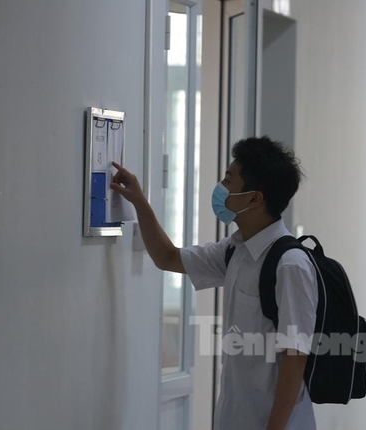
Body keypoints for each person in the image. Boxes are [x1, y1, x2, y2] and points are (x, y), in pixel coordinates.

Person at [111, 136, 317, 430]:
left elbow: (295, 358)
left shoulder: (290, 265)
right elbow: (167, 257)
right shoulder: (234, 250)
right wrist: (139, 202)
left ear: (254, 198)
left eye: (228, 180)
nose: (220, 187)